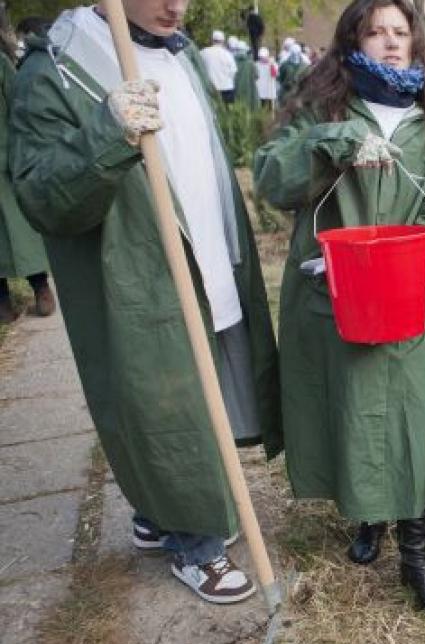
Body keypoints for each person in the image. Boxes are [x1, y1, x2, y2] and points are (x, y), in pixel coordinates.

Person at [10, 0, 283, 603]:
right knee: (166, 409)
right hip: (137, 274)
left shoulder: (172, 54)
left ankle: (157, 516)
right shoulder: (57, 68)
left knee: (201, 391)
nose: (175, 5)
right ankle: (195, 542)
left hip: (203, 253)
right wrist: (107, 134)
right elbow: (40, 195)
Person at [254, 0, 425, 613]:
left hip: (404, 303)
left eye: (401, 32)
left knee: (411, 419)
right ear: (353, 41)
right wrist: (332, 143)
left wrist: (404, 274)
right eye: (375, 32)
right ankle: (367, 518)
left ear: (417, 44)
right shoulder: (324, 110)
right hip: (331, 297)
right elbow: (271, 177)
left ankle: (418, 556)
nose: (391, 43)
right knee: (350, 409)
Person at [0, 26, 54, 324]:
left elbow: (17, 107)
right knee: (14, 234)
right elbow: (17, 106)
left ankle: (29, 294)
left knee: (18, 232)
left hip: (6, 160)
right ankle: (19, 296)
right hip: (7, 159)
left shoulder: (1, 64)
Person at [200, 29, 237, 103]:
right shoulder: (227, 54)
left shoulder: (203, 52)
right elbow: (233, 71)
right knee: (227, 111)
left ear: (212, 40)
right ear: (223, 41)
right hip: (226, 87)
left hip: (210, 88)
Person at [277, 37, 310, 103]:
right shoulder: (285, 63)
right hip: (286, 92)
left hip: (299, 93)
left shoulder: (305, 64)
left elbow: (308, 79)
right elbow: (280, 78)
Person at [230, 37, 260, 110]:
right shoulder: (250, 63)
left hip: (235, 90)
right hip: (249, 91)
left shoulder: (232, 61)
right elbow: (257, 75)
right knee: (249, 109)